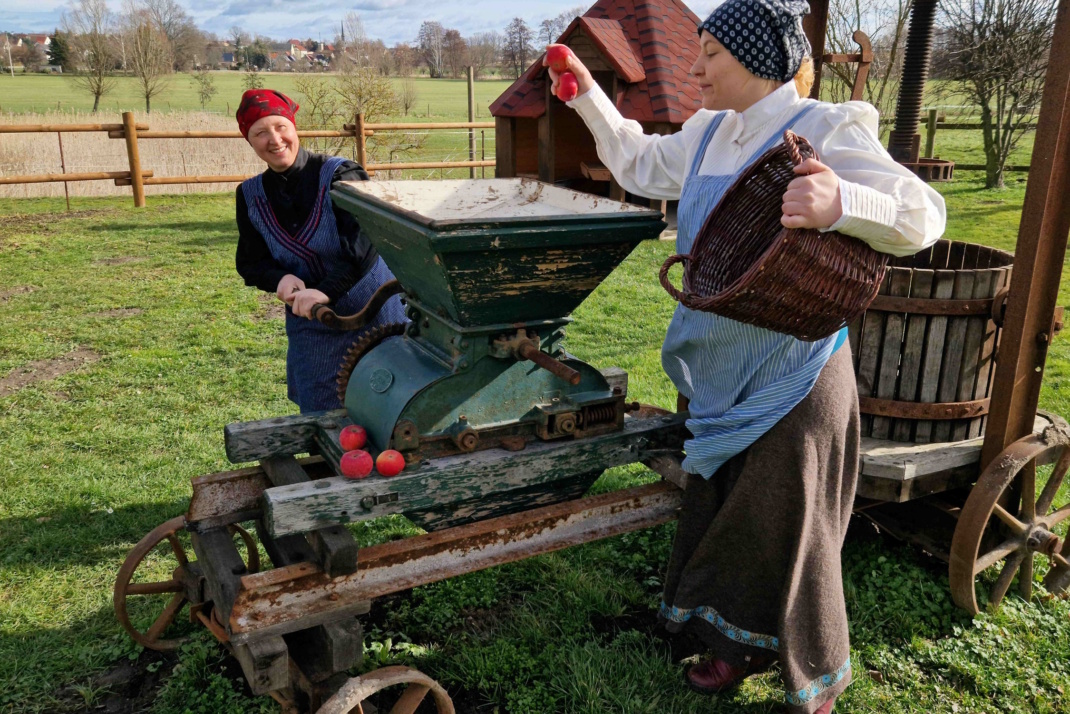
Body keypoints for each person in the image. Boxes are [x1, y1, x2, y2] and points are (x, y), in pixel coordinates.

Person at [546, 1, 945, 712]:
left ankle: (812, 673)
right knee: (721, 511)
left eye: (711, 55)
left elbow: (923, 215)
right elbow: (639, 161)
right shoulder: (706, 134)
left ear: (760, 61)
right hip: (717, 365)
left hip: (793, 371)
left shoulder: (824, 127)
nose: (694, 68)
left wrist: (842, 200)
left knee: (786, 525)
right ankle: (728, 643)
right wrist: (588, 98)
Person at [234, 89, 406, 413]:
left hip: (373, 314)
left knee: (390, 406)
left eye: (280, 126)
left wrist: (324, 292)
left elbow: (364, 247)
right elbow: (250, 261)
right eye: (260, 132)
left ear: (294, 127)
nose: (274, 139)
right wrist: (279, 278)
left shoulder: (342, 175)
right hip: (311, 325)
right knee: (321, 416)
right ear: (249, 141)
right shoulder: (250, 195)